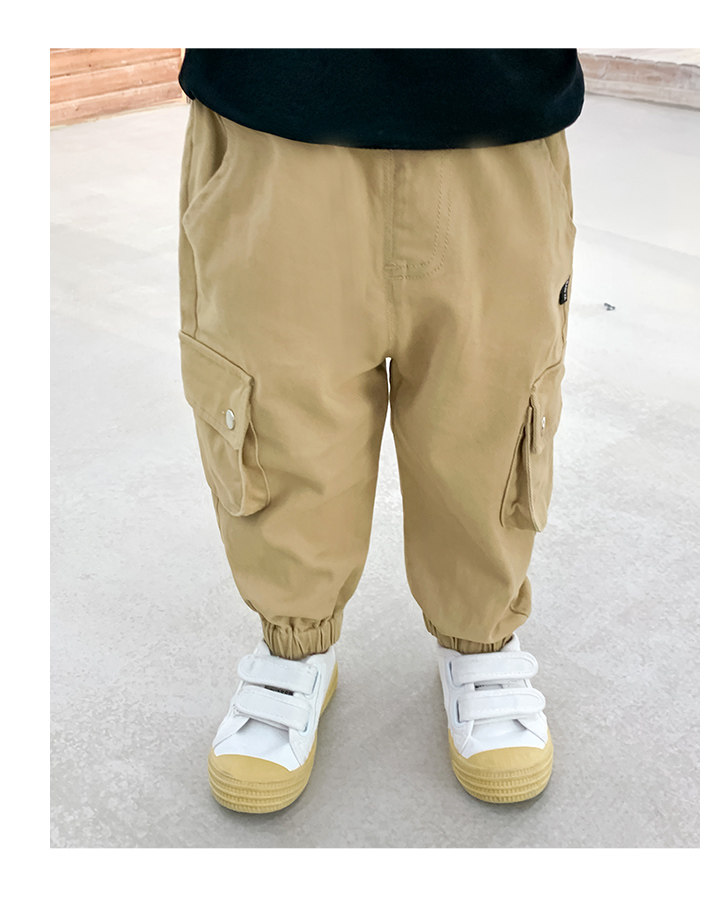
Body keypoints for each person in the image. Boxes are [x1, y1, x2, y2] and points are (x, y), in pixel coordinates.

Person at [176, 48, 584, 813]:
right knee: (279, 412)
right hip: (276, 107)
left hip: (495, 106)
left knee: (491, 413)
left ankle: (480, 642)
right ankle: (295, 647)